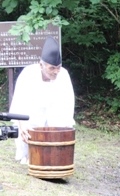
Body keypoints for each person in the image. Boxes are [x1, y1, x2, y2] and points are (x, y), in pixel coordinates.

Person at [9, 36, 75, 164]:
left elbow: (68, 103)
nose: (56, 71)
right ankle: (29, 155)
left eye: (58, 67)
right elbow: (19, 102)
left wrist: (66, 129)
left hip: (55, 119)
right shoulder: (28, 74)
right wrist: (22, 126)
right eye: (52, 68)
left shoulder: (64, 75)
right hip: (32, 119)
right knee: (31, 141)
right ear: (41, 65)